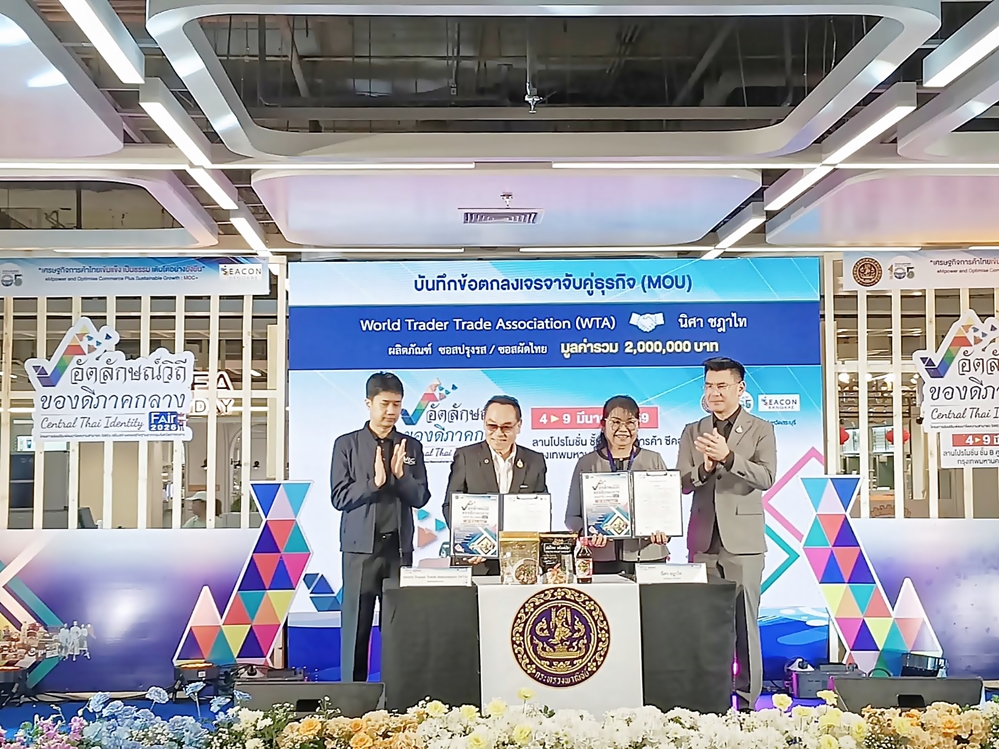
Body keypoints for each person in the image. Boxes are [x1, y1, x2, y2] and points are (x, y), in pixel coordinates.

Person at [677, 357, 776, 712]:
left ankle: (747, 704)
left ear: (740, 388)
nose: (714, 393)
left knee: (745, 625)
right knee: (706, 626)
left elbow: (766, 477)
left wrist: (729, 457)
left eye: (721, 386)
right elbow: (682, 482)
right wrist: (704, 468)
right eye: (709, 386)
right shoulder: (693, 430)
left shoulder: (761, 429)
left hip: (743, 544)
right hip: (703, 543)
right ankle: (709, 702)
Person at [331, 372, 430, 683]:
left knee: (398, 629)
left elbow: (421, 498)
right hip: (360, 551)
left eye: (396, 405)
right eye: (384, 403)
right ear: (368, 403)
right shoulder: (347, 444)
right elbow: (339, 497)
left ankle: (397, 695)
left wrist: (401, 477)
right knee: (356, 630)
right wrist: (373, 483)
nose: (390, 411)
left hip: (398, 551)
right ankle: (352, 698)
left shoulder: (410, 446)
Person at [565, 395, 671, 575]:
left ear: (638, 425)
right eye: (615, 422)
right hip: (601, 558)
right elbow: (571, 516)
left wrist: (665, 532)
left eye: (630, 423)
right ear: (603, 424)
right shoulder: (587, 463)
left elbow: (667, 511)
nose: (623, 429)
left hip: (648, 555)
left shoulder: (653, 459)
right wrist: (587, 532)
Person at [443, 395, 548, 575]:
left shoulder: (534, 461)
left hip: (520, 561)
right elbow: (450, 506)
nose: (499, 433)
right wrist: (469, 542)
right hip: (476, 561)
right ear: (484, 423)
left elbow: (540, 509)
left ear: (519, 426)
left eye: (506, 427)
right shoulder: (466, 457)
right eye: (492, 426)